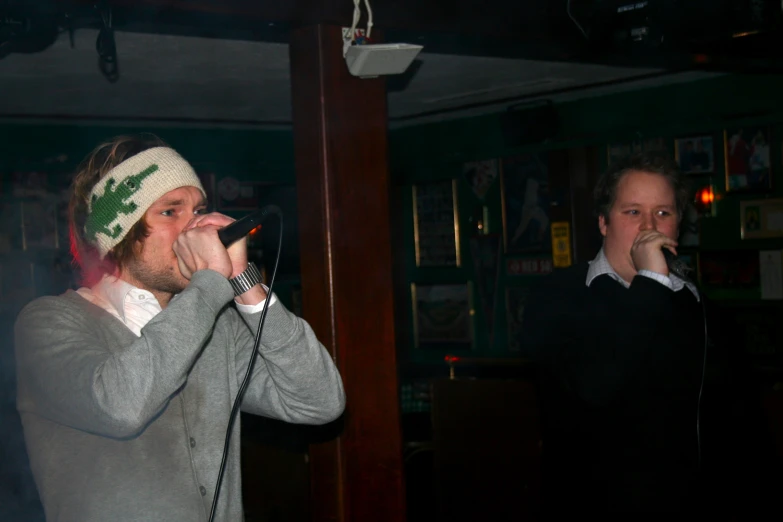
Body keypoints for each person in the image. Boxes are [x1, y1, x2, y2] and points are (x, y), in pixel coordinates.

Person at [14, 135, 346, 522]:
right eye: (171, 212)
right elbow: (119, 407)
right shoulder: (49, 322)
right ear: (118, 234)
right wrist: (208, 284)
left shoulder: (216, 328)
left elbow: (319, 402)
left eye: (198, 210)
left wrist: (243, 281)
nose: (195, 228)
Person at [520, 153, 706, 518]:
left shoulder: (693, 300)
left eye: (663, 213)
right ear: (603, 222)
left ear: (678, 226)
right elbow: (594, 385)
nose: (650, 226)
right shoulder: (557, 296)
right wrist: (651, 281)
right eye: (633, 212)